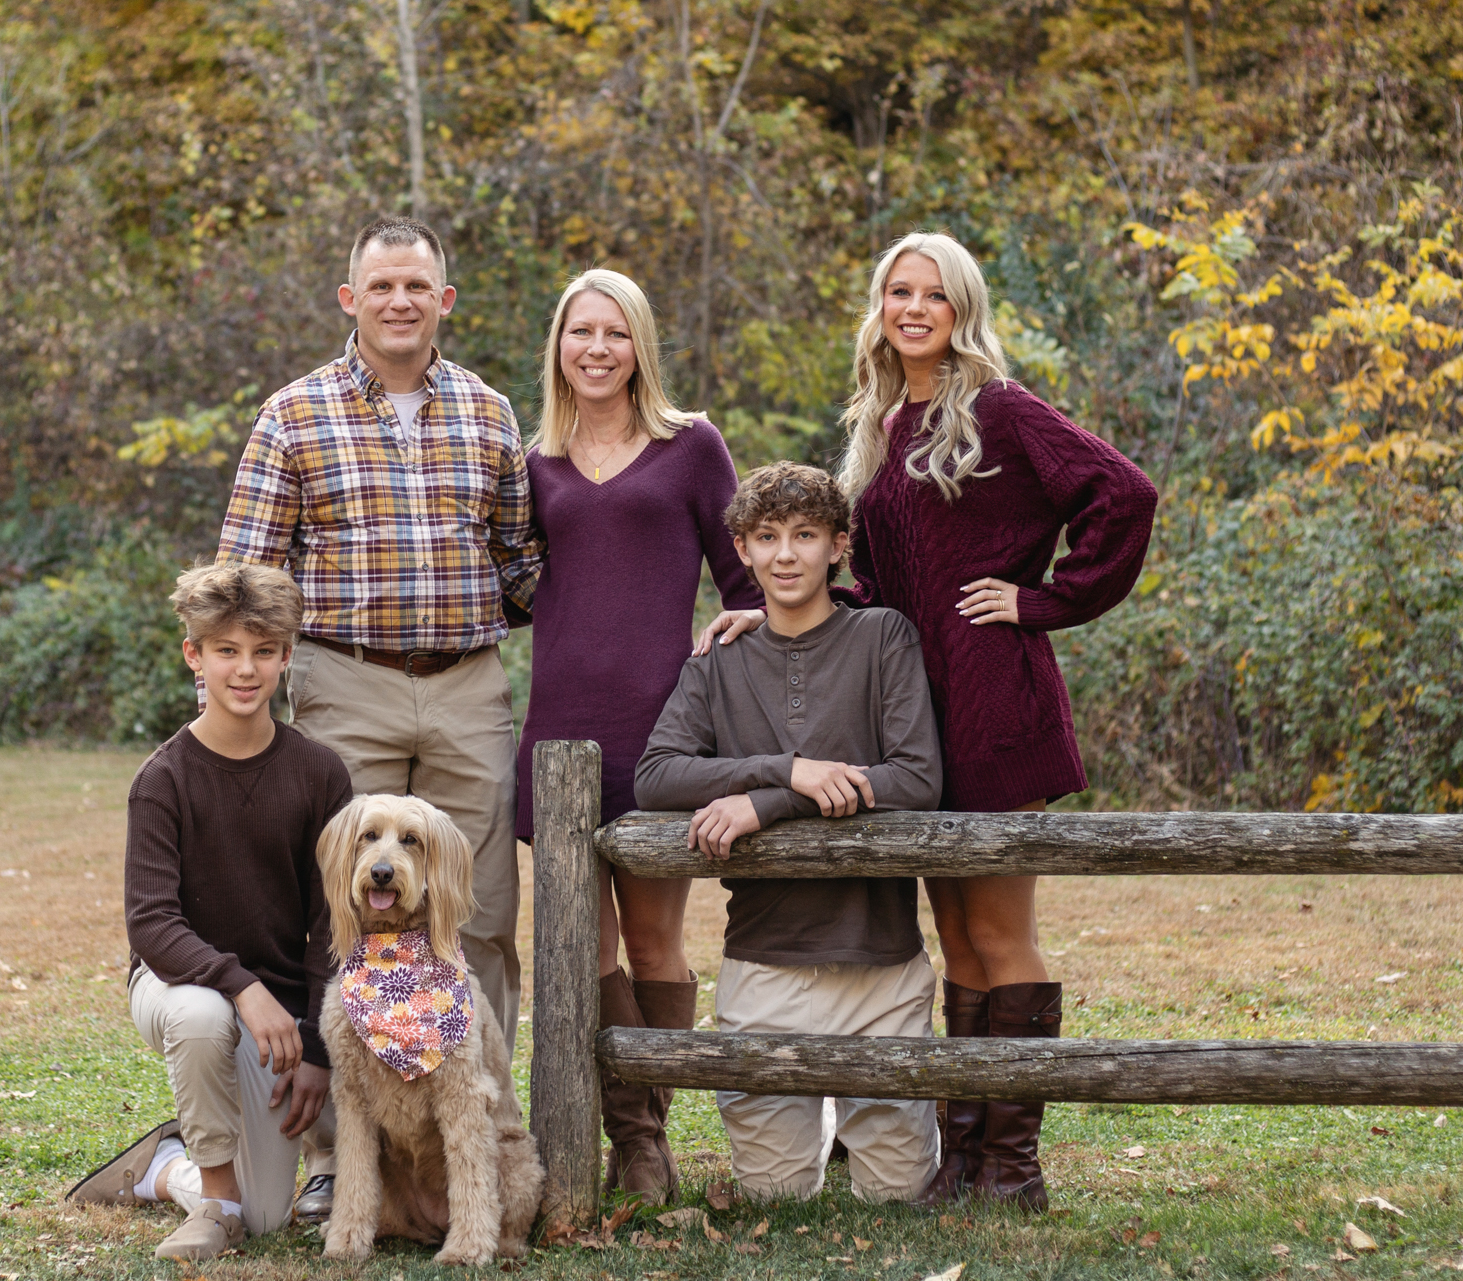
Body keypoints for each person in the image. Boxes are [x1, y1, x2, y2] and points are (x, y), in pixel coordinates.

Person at [704, 233, 1157, 1211]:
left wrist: (1044, 601)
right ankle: (963, 1158)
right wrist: (775, 608)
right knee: (956, 938)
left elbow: (1122, 493)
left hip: (993, 700)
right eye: (897, 292)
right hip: (912, 709)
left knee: (1000, 932)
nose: (913, 309)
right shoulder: (883, 419)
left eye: (933, 296)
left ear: (961, 310)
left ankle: (1013, 1167)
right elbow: (876, 579)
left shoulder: (995, 406)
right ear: (879, 306)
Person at [215, 217, 541, 1089]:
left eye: (418, 286)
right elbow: (246, 574)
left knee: (479, 914)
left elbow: (522, 564)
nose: (401, 301)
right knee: (349, 910)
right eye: (382, 286)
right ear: (350, 298)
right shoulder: (293, 414)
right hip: (345, 681)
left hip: (467, 686)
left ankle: (483, 1122)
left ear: (445, 300)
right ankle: (339, 1146)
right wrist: (243, 687)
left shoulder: (489, 411)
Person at [511, 269, 764, 1203]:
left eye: (616, 334)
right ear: (559, 346)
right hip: (560, 730)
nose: (597, 349)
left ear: (640, 345)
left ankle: (649, 1133)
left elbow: (748, 577)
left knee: (656, 942)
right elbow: (504, 581)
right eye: (581, 332)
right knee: (588, 946)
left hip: (665, 732)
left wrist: (744, 624)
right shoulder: (531, 460)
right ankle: (628, 1138)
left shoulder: (690, 445)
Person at [635, 462, 944, 1204]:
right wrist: (789, 769)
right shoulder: (719, 661)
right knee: (774, 1195)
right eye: (767, 537)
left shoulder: (882, 636)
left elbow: (916, 777)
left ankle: (858, 1115)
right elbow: (656, 774)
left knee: (897, 1195)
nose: (785, 555)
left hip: (881, 966)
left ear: (839, 545)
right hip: (765, 966)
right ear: (739, 548)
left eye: (806, 535)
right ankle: (824, 1117)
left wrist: (771, 802)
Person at [65, 562, 354, 1261]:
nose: (245, 669)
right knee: (203, 1013)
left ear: (287, 656)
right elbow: (153, 924)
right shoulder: (163, 778)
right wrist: (242, 985)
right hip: (176, 985)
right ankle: (213, 1202)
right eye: (226, 650)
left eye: (263, 651)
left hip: (280, 1017)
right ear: (194, 655)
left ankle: (165, 1163)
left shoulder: (320, 773)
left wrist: (315, 1046)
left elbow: (332, 926)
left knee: (267, 1217)